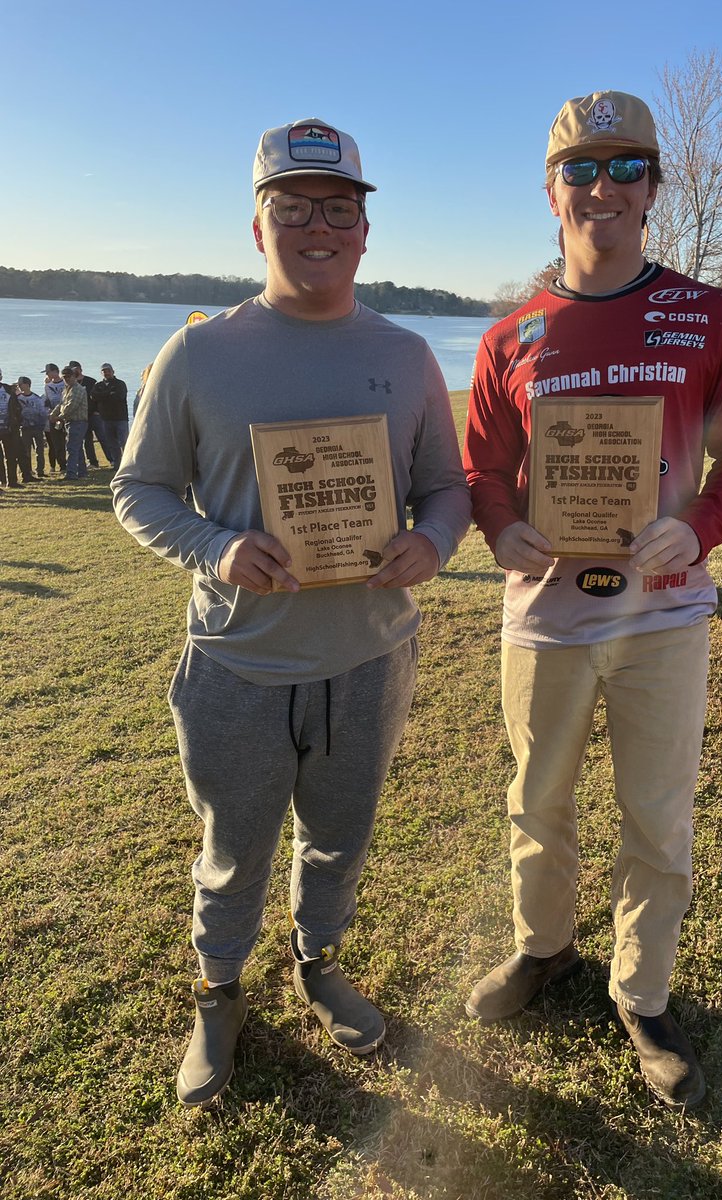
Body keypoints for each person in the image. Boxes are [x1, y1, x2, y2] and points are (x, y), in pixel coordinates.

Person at [111, 118, 470, 1108]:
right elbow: (139, 492)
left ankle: (317, 963)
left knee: (340, 837)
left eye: (339, 206)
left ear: (365, 230)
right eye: (294, 204)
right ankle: (219, 992)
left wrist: (431, 543)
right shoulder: (195, 355)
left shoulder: (404, 356)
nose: (318, 223)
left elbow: (449, 487)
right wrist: (218, 546)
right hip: (239, 662)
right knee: (234, 846)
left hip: (369, 658)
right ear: (257, 225)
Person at [463, 89, 722, 1109]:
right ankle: (544, 948)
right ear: (550, 189)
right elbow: (484, 470)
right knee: (537, 802)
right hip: (545, 615)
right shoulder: (509, 336)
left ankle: (641, 995)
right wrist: (501, 526)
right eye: (582, 169)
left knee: (657, 816)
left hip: (665, 617)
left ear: (656, 184)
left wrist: (702, 524)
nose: (604, 187)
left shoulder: (711, 316)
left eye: (626, 166)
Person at [91, 363, 129, 467]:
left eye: (108, 370)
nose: (106, 373)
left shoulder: (120, 384)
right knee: (112, 444)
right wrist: (109, 393)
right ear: (101, 373)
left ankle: (128, 464)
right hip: (105, 419)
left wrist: (103, 396)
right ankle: (117, 464)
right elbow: (94, 396)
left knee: (124, 442)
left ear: (113, 371)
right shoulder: (98, 385)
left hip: (120, 418)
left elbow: (119, 397)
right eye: (104, 371)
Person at [55, 366, 89, 478]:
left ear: (74, 376)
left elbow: (71, 407)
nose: (66, 379)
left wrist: (59, 417)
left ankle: (71, 473)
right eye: (64, 377)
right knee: (77, 448)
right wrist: (53, 414)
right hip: (71, 422)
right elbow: (61, 404)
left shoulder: (78, 389)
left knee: (72, 448)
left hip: (78, 422)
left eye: (68, 377)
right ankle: (82, 472)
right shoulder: (67, 389)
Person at [68, 360, 103, 466]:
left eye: (76, 369)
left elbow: (98, 397)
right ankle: (92, 461)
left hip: (94, 414)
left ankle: (112, 459)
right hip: (82, 416)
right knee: (87, 440)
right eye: (72, 370)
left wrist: (98, 411)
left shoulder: (91, 381)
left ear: (80, 369)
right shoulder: (71, 383)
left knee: (102, 437)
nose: (75, 371)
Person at [16, 377, 49, 480]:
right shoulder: (18, 398)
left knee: (39, 449)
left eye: (20, 384)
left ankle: (40, 470)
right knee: (26, 450)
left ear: (27, 384)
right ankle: (27, 471)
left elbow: (42, 413)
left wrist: (41, 425)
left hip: (37, 427)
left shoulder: (36, 398)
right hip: (25, 428)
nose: (19, 386)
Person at [0, 369, 24, 488]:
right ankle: (2, 481)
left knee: (11, 456)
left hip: (9, 428)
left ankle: (12, 481)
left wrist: (17, 421)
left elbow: (17, 407)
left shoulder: (8, 389)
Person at [43, 364, 67, 472]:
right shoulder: (48, 386)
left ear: (55, 371)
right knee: (56, 443)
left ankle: (72, 464)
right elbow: (47, 402)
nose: (47, 374)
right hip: (54, 417)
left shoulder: (65, 383)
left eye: (48, 372)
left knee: (68, 441)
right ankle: (62, 465)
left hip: (66, 415)